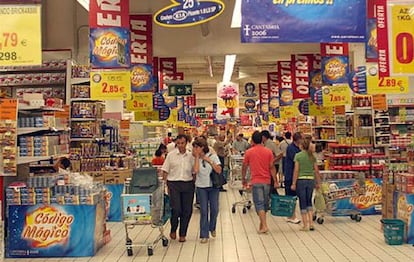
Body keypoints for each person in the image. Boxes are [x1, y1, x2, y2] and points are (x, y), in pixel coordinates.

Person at [161, 134, 195, 243]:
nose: (180, 145)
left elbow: (194, 171)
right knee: (176, 209)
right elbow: (165, 170)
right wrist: (164, 184)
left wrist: (194, 183)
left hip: (188, 184)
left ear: (186, 143)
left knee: (187, 210)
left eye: (182, 143)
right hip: (173, 184)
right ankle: (173, 228)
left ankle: (183, 233)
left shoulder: (191, 156)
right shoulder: (170, 155)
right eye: (178, 143)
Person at [242, 131, 278, 234]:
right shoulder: (268, 152)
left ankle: (265, 226)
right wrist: (275, 181)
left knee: (259, 204)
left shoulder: (249, 152)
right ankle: (262, 226)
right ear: (262, 140)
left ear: (252, 140)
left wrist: (244, 179)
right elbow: (272, 167)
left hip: (256, 181)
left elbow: (244, 166)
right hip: (267, 181)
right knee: (265, 204)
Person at [192, 138, 222, 243]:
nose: (195, 149)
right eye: (194, 147)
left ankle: (212, 227)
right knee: (204, 210)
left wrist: (209, 160)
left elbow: (218, 170)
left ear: (202, 147)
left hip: (213, 186)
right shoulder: (194, 158)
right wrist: (197, 157)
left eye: (197, 147)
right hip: (201, 187)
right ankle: (204, 234)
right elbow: (195, 171)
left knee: (214, 209)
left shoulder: (213, 156)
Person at [291, 135, 321, 231]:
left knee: (302, 202)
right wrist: (318, 182)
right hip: (310, 180)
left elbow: (296, 170)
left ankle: (305, 225)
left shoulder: (298, 156)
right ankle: (311, 223)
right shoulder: (312, 156)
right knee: (309, 202)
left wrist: (294, 183)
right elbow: (316, 170)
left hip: (301, 181)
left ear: (301, 146)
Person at [283, 132, 303, 224]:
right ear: (298, 139)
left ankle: (290, 215)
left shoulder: (295, 148)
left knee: (292, 195)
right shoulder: (291, 149)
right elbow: (297, 161)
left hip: (293, 175)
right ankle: (292, 216)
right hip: (290, 175)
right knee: (291, 196)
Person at [261, 130, 281, 196]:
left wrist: (272, 161)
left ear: (264, 137)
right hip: (269, 166)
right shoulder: (265, 144)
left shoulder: (271, 144)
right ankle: (273, 198)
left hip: (274, 166)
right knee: (270, 183)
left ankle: (276, 199)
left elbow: (280, 154)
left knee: (271, 183)